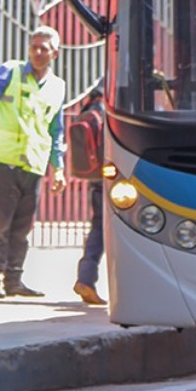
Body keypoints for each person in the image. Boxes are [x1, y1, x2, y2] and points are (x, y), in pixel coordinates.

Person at [0, 25, 68, 299]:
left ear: (55, 52)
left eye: (44, 48)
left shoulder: (58, 87)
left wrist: (59, 169)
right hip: (5, 160)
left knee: (22, 227)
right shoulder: (11, 71)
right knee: (0, 224)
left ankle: (14, 280)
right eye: (35, 47)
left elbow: (56, 130)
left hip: (34, 163)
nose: (38, 53)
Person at [72, 83, 108, 306]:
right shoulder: (109, 109)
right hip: (115, 180)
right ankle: (87, 279)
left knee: (98, 228)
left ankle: (85, 278)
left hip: (95, 178)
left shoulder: (89, 107)